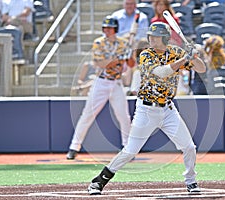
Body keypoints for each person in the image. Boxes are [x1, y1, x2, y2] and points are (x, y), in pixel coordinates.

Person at [87, 22, 206, 195]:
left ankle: (191, 181)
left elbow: (201, 68)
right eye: (150, 36)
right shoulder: (146, 54)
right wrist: (185, 59)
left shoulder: (176, 52)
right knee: (130, 151)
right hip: (146, 110)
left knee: (189, 147)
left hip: (168, 110)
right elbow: (162, 72)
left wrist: (195, 56)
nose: (151, 39)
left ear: (165, 38)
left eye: (155, 36)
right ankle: (98, 181)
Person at [66, 16, 136, 160]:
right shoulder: (98, 42)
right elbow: (101, 63)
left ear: (115, 29)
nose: (107, 31)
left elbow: (130, 65)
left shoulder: (123, 44)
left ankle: (127, 148)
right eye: (105, 28)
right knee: (87, 114)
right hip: (101, 82)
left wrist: (129, 55)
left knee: (124, 116)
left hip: (116, 83)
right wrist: (118, 58)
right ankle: (74, 147)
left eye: (110, 28)